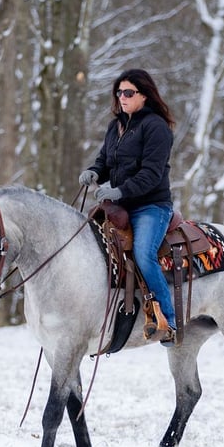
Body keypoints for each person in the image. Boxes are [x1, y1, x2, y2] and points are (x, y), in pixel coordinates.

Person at [79, 69, 177, 346]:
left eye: (128, 93)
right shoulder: (116, 126)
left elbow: (151, 174)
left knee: (145, 255)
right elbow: (105, 162)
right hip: (118, 206)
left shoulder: (156, 127)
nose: (122, 97)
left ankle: (168, 321)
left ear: (144, 95)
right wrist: (94, 172)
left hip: (151, 207)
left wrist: (119, 190)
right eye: (119, 92)